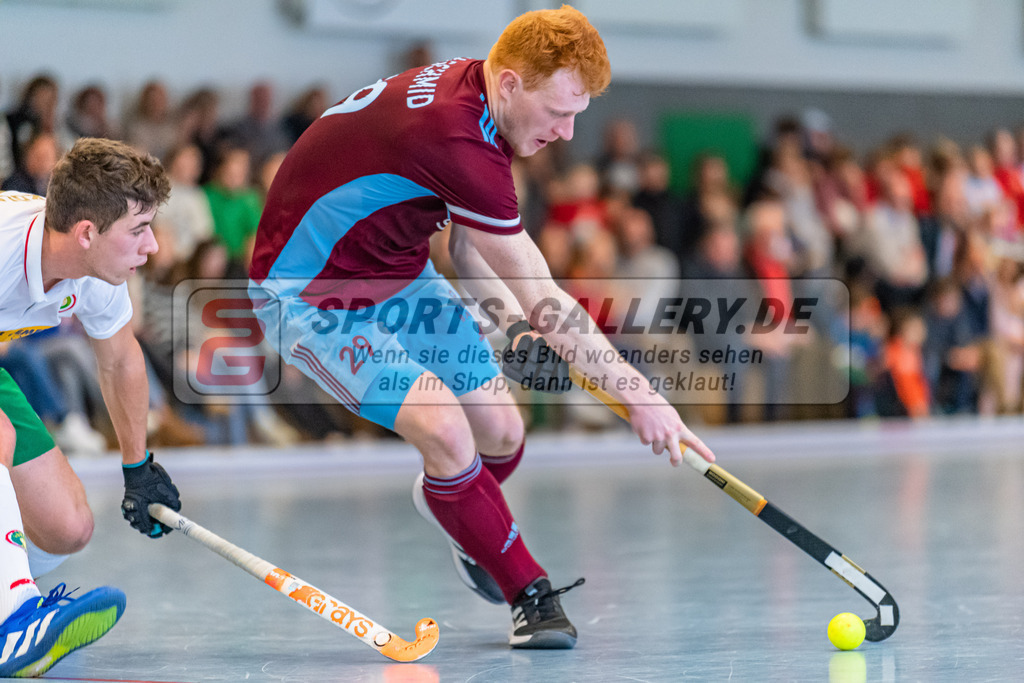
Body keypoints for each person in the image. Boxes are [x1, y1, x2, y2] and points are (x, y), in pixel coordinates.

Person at [249, 4, 715, 650]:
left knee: (501, 432)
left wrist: (515, 330)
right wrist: (642, 396)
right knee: (443, 424)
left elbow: (468, 252)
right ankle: (529, 593)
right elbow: (547, 295)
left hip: (400, 276)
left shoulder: (481, 99)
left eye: (578, 114)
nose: (569, 133)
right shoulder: (456, 137)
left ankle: (454, 502)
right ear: (513, 83)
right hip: (308, 297)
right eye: (559, 112)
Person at [0, 138, 181, 677]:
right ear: (86, 233)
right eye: (138, 230)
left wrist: (137, 464)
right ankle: (13, 618)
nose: (151, 247)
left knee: (67, 528)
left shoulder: (95, 273)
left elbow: (121, 360)